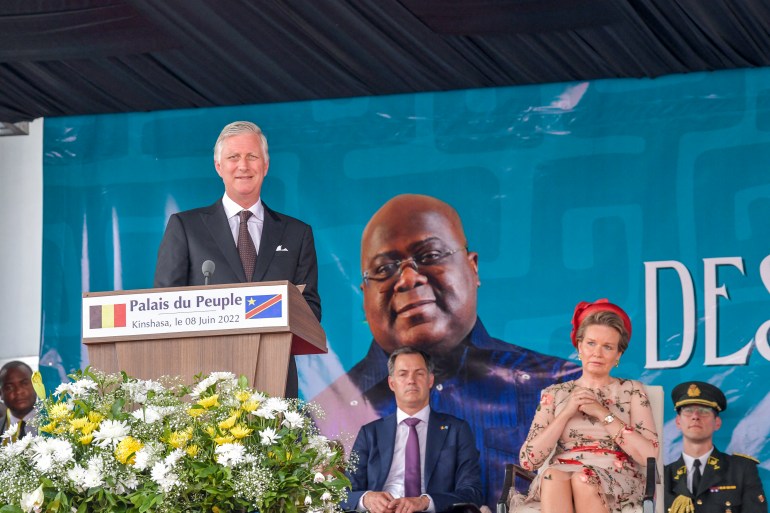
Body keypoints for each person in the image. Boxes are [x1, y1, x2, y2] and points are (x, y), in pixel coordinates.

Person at [312, 194, 580, 508]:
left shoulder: (560, 386)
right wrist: (368, 499)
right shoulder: (325, 415)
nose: (408, 279)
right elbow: (338, 496)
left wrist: (426, 503)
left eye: (430, 254)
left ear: (473, 268)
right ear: (364, 295)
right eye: (385, 269)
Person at [153, 121, 321, 397]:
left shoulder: (297, 234)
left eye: (252, 156)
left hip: (274, 380)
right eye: (233, 157)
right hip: (203, 382)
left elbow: (311, 310)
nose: (243, 165)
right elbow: (164, 306)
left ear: (265, 166)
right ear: (219, 167)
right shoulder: (185, 226)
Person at [511, 299, 659, 513]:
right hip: (561, 474)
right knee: (552, 475)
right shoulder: (554, 393)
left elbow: (649, 455)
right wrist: (566, 413)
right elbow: (528, 461)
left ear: (618, 355)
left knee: (583, 479)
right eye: (591, 343)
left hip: (613, 479)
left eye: (607, 347)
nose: (597, 353)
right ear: (579, 346)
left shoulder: (632, 390)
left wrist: (602, 413)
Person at [343, 347, 483, 513]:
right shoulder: (370, 433)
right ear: (392, 383)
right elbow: (344, 492)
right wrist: (367, 499)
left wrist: (425, 502)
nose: (411, 380)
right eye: (403, 374)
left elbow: (472, 492)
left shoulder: (457, 430)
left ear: (430, 380)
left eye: (419, 373)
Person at [664, 381, 767, 513]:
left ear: (717, 423)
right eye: (688, 411)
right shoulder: (663, 476)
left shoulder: (742, 470)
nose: (695, 416)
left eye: (703, 411)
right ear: (678, 422)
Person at [0, 361, 37, 441]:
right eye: (9, 387)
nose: (18, 391)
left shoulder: (57, 424)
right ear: (1, 393)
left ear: (36, 385)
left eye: (24, 383)